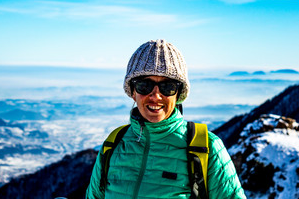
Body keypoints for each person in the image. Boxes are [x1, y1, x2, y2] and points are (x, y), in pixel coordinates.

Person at [86, 39, 246, 199]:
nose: (155, 96)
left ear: (178, 94)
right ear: (133, 91)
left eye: (168, 87)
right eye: (144, 85)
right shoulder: (114, 144)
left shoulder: (207, 148)